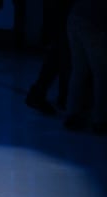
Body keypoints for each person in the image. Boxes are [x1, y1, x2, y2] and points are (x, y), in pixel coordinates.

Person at [63, 0, 107, 134]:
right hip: (93, 23)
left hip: (75, 18)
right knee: (102, 74)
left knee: (79, 71)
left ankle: (72, 114)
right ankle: (100, 120)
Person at [24, 0, 74, 115]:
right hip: (64, 18)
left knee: (59, 56)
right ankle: (61, 96)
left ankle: (60, 96)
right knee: (62, 56)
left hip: (59, 18)